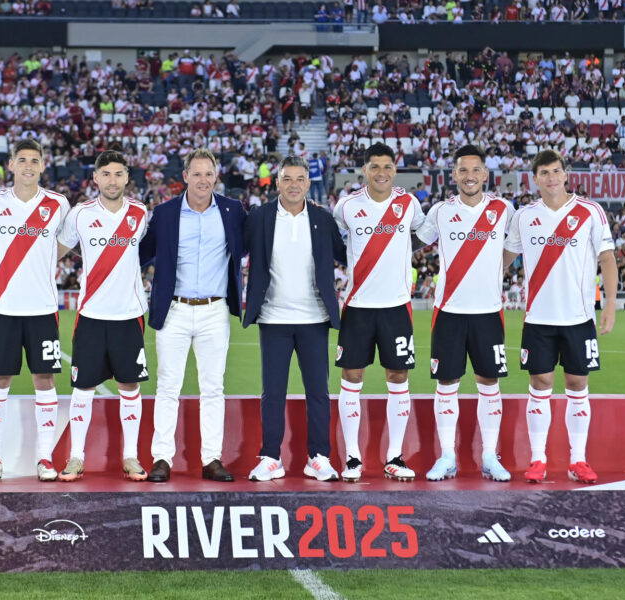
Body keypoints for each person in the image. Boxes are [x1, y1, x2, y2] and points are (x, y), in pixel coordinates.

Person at [503, 149, 617, 485]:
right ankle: (537, 459)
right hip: (538, 318)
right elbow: (505, 257)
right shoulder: (523, 216)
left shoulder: (590, 212)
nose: (551, 178)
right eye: (544, 173)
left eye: (556, 171)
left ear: (566, 174)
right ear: (535, 179)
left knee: (577, 385)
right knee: (539, 385)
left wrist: (609, 304)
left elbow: (607, 260)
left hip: (579, 319)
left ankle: (578, 460)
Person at [140, 148, 246, 483]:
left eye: (208, 174)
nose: (203, 180)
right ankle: (161, 458)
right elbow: (140, 255)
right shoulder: (165, 213)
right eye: (196, 173)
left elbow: (247, 246)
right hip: (174, 310)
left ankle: (211, 458)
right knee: (168, 386)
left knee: (213, 388)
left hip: (215, 310)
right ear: (184, 176)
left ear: (217, 177)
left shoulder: (233, 211)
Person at [243, 156, 347, 482]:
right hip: (273, 318)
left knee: (318, 392)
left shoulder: (322, 218)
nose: (293, 185)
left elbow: (349, 256)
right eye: (287, 179)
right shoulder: (259, 217)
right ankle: (271, 457)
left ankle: (318, 458)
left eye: (300, 179)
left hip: (314, 319)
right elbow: (236, 250)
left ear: (307, 183)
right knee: (272, 393)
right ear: (277, 183)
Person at [413, 145, 513, 482]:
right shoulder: (440, 211)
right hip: (449, 312)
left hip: (488, 312)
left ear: (485, 174)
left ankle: (489, 456)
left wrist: (492, 275)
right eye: (463, 171)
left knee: (489, 383)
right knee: (446, 383)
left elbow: (515, 248)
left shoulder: (504, 209)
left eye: (476, 170)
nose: (469, 176)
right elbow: (410, 243)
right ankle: (446, 457)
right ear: (454, 175)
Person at [0, 138, 71, 482]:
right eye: (23, 160)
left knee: (44, 379)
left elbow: (66, 243)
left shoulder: (59, 204)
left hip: (43, 308)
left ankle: (45, 458)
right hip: (3, 307)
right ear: (11, 165)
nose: (29, 166)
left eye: (35, 160)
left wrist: (43, 261)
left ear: (43, 165)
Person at [332, 142, 426, 482]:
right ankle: (353, 458)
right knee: (351, 379)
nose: (381, 173)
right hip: (357, 307)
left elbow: (424, 235)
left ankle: (395, 457)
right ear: (365, 170)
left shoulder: (409, 204)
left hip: (396, 307)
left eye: (387, 166)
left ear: (394, 170)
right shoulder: (346, 207)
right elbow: (332, 241)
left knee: (398, 378)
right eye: (375, 167)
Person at [55, 149, 151, 482]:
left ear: (127, 177)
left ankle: (131, 457)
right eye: (105, 174)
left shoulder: (140, 213)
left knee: (130, 386)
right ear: (95, 178)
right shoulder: (80, 214)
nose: (112, 180)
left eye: (118, 173)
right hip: (92, 316)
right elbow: (54, 252)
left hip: (129, 316)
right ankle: (76, 457)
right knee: (82, 388)